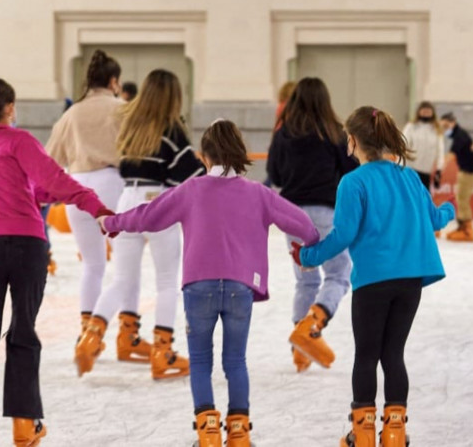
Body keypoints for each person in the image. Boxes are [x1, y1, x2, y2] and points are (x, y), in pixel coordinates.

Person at [98, 120, 319, 447]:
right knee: (235, 361)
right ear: (239, 153)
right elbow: (304, 225)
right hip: (240, 287)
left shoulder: (191, 190)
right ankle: (240, 433)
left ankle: (208, 432)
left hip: (198, 287)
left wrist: (112, 223)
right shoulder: (258, 193)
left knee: (200, 361)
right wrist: (309, 246)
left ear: (204, 157)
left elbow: (148, 215)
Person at [0, 79, 114, 447]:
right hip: (28, 246)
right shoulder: (20, 142)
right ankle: (24, 423)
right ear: (10, 108)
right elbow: (52, 180)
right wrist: (93, 203)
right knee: (22, 331)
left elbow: (31, 188)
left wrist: (58, 193)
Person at [292, 106, 454, 447]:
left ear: (352, 141)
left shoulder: (353, 182)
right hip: (411, 280)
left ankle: (363, 432)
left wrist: (309, 256)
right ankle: (394, 431)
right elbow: (436, 220)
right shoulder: (409, 176)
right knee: (393, 354)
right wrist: (450, 209)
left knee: (367, 355)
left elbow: (344, 234)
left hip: (374, 281)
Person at [75, 69, 205, 380]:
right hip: (158, 204)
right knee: (166, 283)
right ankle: (163, 351)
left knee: (120, 280)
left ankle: (91, 337)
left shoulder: (130, 128)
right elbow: (190, 176)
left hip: (127, 201)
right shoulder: (172, 131)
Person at [266, 77, 357, 373]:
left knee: (305, 280)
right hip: (325, 214)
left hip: (292, 215)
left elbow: (274, 175)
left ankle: (300, 352)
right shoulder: (334, 133)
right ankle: (312, 324)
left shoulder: (283, 134)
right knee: (339, 273)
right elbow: (351, 171)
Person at [46, 49, 128, 345]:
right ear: (114, 81)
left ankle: (85, 328)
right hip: (112, 184)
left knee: (92, 265)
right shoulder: (122, 108)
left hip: (77, 187)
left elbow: (50, 159)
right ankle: (123, 331)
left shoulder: (71, 113)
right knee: (125, 264)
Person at [440, 112, 473, 242]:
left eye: (446, 126)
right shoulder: (458, 135)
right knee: (460, 198)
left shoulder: (460, 136)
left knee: (462, 199)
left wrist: (439, 167)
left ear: (453, 123)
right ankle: (462, 227)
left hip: (471, 172)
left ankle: (467, 230)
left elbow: (451, 155)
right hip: (466, 170)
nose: (444, 129)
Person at [403, 101, 445, 191]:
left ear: (432, 113)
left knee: (425, 198)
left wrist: (439, 169)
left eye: (428, 110)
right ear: (419, 112)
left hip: (426, 170)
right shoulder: (411, 126)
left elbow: (440, 150)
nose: (426, 112)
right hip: (411, 169)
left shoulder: (436, 129)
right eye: (424, 110)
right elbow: (403, 145)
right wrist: (400, 166)